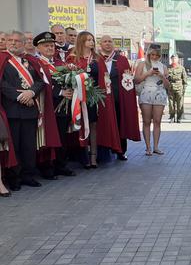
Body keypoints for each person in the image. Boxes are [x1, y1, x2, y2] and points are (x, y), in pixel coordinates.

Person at [67, 31, 121, 168]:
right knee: (81, 125)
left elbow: (104, 78)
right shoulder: (73, 58)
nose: (91, 42)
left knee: (93, 126)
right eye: (88, 40)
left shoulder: (97, 58)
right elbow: (67, 79)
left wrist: (104, 96)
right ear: (81, 42)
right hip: (78, 98)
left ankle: (93, 158)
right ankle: (83, 156)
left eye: (92, 40)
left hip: (94, 97)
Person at [0, 31, 45, 189]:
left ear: (24, 43)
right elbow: (2, 84)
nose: (13, 43)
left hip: (29, 110)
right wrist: (21, 97)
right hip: (11, 110)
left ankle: (28, 175)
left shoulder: (30, 61)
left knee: (28, 146)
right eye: (10, 40)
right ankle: (14, 178)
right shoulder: (2, 60)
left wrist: (31, 93)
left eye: (17, 41)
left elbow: (40, 81)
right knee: (15, 146)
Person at [98, 35, 140, 160]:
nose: (107, 43)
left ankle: (121, 151)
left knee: (120, 123)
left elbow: (127, 80)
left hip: (117, 98)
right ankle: (105, 150)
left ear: (113, 44)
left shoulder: (121, 59)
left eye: (110, 41)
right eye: (105, 41)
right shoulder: (96, 59)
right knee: (105, 124)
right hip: (102, 99)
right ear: (100, 44)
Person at [31, 32, 66, 179]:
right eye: (46, 46)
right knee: (47, 137)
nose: (50, 48)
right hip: (45, 106)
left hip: (62, 106)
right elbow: (41, 85)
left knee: (61, 136)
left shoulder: (59, 63)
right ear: (38, 48)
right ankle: (47, 167)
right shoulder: (36, 63)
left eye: (52, 45)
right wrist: (61, 92)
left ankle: (60, 165)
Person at [133, 45, 170, 155]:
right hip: (146, 93)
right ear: (149, 54)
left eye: (157, 55)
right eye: (152, 54)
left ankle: (156, 147)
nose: (154, 57)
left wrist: (162, 76)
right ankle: (148, 147)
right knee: (146, 121)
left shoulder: (163, 66)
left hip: (159, 93)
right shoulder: (142, 64)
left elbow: (168, 85)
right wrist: (148, 73)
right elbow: (136, 80)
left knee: (157, 121)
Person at [167, 54, 188, 123]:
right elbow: (165, 78)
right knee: (171, 103)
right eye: (172, 58)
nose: (174, 60)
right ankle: (172, 116)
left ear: (178, 59)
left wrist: (184, 88)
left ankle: (179, 117)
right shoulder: (168, 67)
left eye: (175, 58)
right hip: (170, 87)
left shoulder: (181, 68)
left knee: (180, 103)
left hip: (179, 87)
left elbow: (184, 79)